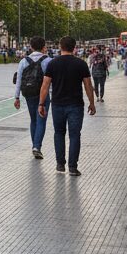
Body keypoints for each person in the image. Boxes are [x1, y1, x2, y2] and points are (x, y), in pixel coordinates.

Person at [40, 36, 95, 177]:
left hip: (57, 104)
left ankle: (60, 164)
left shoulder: (53, 63)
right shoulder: (81, 64)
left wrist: (41, 103)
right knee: (75, 135)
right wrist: (92, 103)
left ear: (60, 46)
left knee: (59, 133)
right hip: (75, 105)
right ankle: (72, 167)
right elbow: (88, 85)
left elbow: (45, 85)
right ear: (74, 47)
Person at [13, 36, 50, 159]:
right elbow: (51, 80)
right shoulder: (48, 61)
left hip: (28, 94)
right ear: (44, 47)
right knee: (41, 120)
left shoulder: (23, 61)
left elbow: (18, 79)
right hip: (43, 95)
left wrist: (16, 97)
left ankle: (34, 144)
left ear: (31, 47)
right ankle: (37, 146)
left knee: (33, 120)